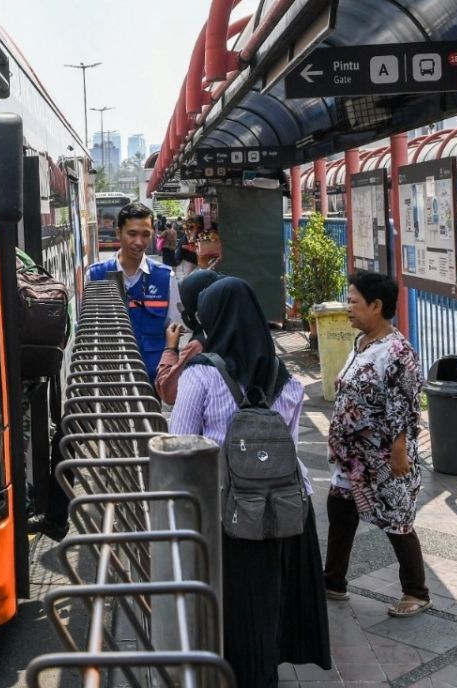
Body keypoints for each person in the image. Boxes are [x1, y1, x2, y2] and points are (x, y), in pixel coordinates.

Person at [169, 277, 330, 686]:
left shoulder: (201, 375)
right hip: (287, 507)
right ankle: (266, 669)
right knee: (270, 602)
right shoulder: (287, 378)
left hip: (227, 512)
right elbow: (289, 447)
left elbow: (180, 445)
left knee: (237, 605)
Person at [323, 270, 430, 618]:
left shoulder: (398, 351)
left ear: (377, 305)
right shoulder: (362, 342)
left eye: (353, 302)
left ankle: (416, 592)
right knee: (340, 512)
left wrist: (398, 450)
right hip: (352, 459)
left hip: (383, 458)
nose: (348, 308)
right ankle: (333, 581)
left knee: (397, 521)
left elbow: (406, 403)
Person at [86, 202, 181, 378]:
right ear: (118, 233)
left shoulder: (165, 277)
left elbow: (174, 328)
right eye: (132, 234)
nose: (139, 242)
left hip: (150, 379)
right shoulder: (95, 275)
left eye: (145, 235)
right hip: (109, 378)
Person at [154, 269, 222, 404]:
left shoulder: (199, 343)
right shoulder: (246, 330)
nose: (182, 311)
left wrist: (171, 349)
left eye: (183, 305)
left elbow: (169, 391)